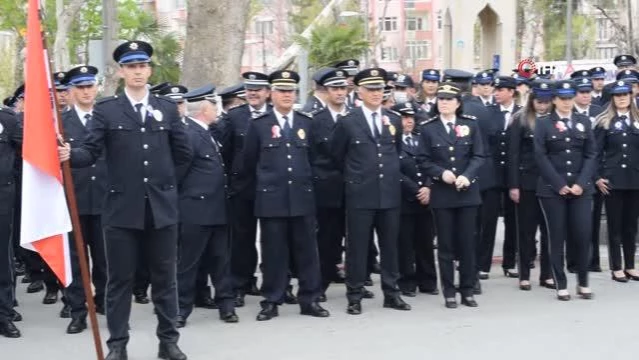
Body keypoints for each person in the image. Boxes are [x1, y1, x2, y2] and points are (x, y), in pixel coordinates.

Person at [58, 40, 191, 360]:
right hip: (120, 211)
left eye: (143, 66)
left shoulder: (167, 108)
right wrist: (69, 154)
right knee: (119, 281)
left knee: (164, 280)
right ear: (121, 72)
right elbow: (90, 152)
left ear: (150, 69)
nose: (138, 72)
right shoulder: (107, 110)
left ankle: (168, 341)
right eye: (131, 67)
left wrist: (166, 186)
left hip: (161, 210)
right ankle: (118, 344)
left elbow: (183, 155)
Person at [239, 70, 329, 321]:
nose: (287, 96)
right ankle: (271, 300)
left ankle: (309, 299)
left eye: (291, 91)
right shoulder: (259, 125)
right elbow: (248, 163)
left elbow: (314, 160)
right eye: (282, 91)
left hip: (302, 197)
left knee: (307, 252)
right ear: (271, 94)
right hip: (272, 199)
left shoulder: (306, 122)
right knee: (273, 253)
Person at [331, 67, 411, 315]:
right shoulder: (347, 121)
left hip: (388, 193)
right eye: (371, 89)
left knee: (390, 246)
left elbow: (395, 153)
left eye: (380, 89)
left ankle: (391, 293)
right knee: (357, 248)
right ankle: (354, 295)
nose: (376, 94)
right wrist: (355, 179)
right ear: (359, 91)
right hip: (360, 195)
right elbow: (337, 156)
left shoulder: (394, 119)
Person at [175, 84, 237, 328]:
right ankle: (181, 310)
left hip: (217, 209)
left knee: (221, 261)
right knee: (188, 264)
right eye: (214, 106)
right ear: (204, 108)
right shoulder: (189, 134)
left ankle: (227, 306)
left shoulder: (207, 132)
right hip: (196, 211)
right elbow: (179, 173)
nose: (218, 112)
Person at [418, 84, 485, 308]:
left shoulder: (470, 124)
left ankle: (467, 289)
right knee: (445, 246)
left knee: (467, 244)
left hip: (467, 193)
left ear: (458, 103)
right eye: (440, 98)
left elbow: (479, 155)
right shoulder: (428, 128)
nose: (444, 102)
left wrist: (467, 176)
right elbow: (423, 160)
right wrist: (440, 173)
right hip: (443, 194)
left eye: (448, 99)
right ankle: (448, 290)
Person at [534, 80, 597, 302]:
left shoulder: (583, 122)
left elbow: (591, 154)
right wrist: (559, 184)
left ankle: (583, 281)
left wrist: (581, 182)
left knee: (582, 235)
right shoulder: (543, 123)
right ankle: (561, 283)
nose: (567, 102)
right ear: (554, 100)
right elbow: (540, 157)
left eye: (570, 98)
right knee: (556, 236)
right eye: (563, 98)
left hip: (581, 188)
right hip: (553, 189)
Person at [59, 65, 108, 334]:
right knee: (76, 260)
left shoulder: (108, 117)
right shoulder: (61, 124)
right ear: (71, 91)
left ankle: (105, 303)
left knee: (106, 259)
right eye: (80, 87)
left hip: (105, 200)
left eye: (90, 86)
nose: (86, 91)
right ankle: (78, 310)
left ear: (96, 88)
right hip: (73, 201)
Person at [219, 71, 272, 307]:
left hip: (272, 188)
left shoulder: (275, 115)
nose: (253, 93)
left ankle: (275, 283)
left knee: (274, 239)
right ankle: (241, 283)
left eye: (258, 89)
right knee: (242, 239)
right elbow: (226, 152)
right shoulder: (234, 117)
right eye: (249, 89)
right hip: (242, 188)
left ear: (268, 93)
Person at [508, 80, 555, 291]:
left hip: (550, 182)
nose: (542, 106)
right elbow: (514, 155)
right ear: (532, 100)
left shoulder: (556, 121)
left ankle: (547, 274)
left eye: (546, 102)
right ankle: (524, 274)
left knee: (549, 231)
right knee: (526, 231)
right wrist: (513, 185)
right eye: (539, 101)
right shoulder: (520, 120)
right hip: (527, 181)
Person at [593, 80, 639, 283]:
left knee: (631, 226)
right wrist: (596, 177)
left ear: (631, 96)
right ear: (612, 98)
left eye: (625, 94)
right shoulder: (604, 121)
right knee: (615, 226)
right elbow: (594, 153)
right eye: (618, 95)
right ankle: (616, 266)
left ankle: (630, 265)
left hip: (635, 179)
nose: (622, 98)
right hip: (612, 180)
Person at [310, 69, 349, 299]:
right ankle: (321, 284)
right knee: (326, 240)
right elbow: (313, 156)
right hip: (326, 190)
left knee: (355, 240)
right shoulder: (316, 120)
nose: (339, 93)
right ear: (326, 92)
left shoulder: (354, 117)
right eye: (335, 89)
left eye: (343, 88)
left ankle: (356, 283)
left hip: (353, 187)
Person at [477, 76, 520, 280]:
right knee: (488, 221)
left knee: (513, 221)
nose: (496, 93)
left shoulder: (521, 113)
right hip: (492, 174)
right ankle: (483, 263)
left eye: (501, 89)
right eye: (495, 89)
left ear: (511, 92)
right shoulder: (488, 113)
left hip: (513, 174)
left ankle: (510, 262)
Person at [395, 102, 438, 297]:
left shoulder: (421, 139)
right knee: (405, 244)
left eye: (411, 117)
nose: (409, 121)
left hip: (426, 199)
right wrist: (416, 189)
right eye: (404, 117)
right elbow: (393, 170)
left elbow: (431, 163)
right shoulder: (392, 141)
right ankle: (407, 282)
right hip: (405, 199)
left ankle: (428, 281)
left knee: (425, 242)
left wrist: (428, 187)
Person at [568, 72, 604, 273]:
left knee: (594, 220)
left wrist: (598, 174)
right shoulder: (567, 113)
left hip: (595, 172)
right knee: (574, 222)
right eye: (581, 92)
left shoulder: (599, 111)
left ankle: (594, 260)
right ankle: (573, 261)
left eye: (588, 92)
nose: (585, 95)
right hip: (574, 173)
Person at [0, 106, 21, 338]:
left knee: (3, 262)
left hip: (2, 200)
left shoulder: (7, 118)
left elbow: (30, 148)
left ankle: (4, 315)